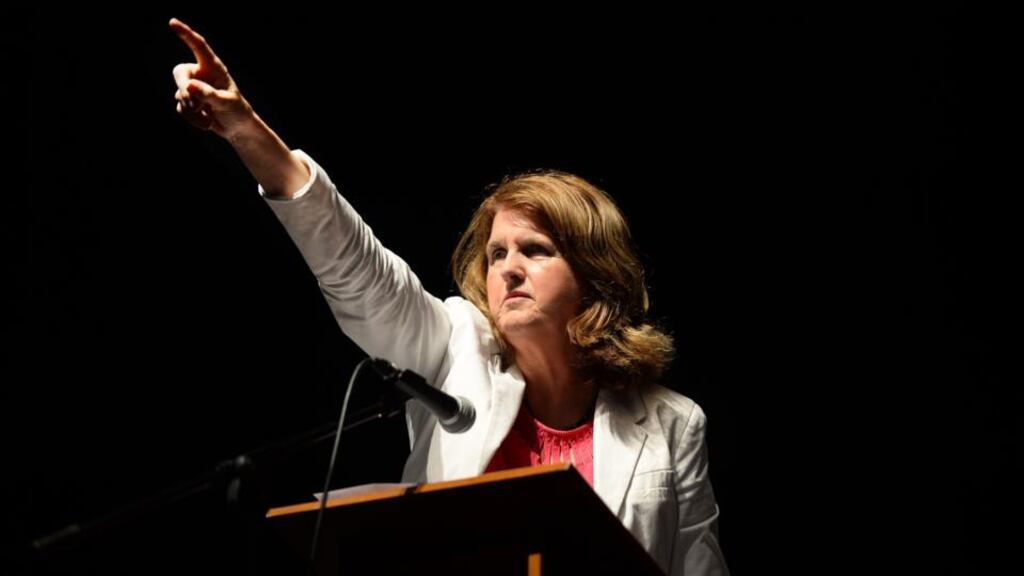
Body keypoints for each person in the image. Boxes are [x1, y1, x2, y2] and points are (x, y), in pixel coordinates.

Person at [169, 17, 729, 575]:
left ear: (594, 274)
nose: (508, 269)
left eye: (534, 250)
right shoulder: (455, 349)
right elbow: (356, 269)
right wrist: (246, 131)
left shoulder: (674, 423)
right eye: (496, 254)